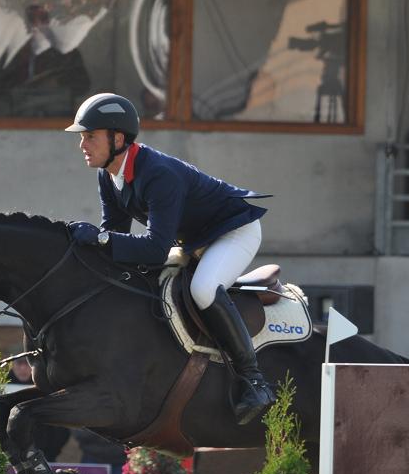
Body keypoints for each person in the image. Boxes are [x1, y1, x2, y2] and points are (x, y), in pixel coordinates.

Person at [64, 93, 274, 425]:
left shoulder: (158, 174)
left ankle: (255, 381)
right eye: (82, 137)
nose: (82, 144)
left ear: (118, 138)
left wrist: (102, 239)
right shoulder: (108, 175)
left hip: (232, 232)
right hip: (193, 239)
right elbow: (114, 236)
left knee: (203, 289)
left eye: (89, 136)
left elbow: (154, 248)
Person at [3, 354, 69, 462]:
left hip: (44, 454)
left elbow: (62, 426)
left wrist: (50, 453)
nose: (23, 368)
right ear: (12, 365)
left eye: (27, 363)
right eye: (19, 363)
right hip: (10, 456)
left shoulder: (46, 385)